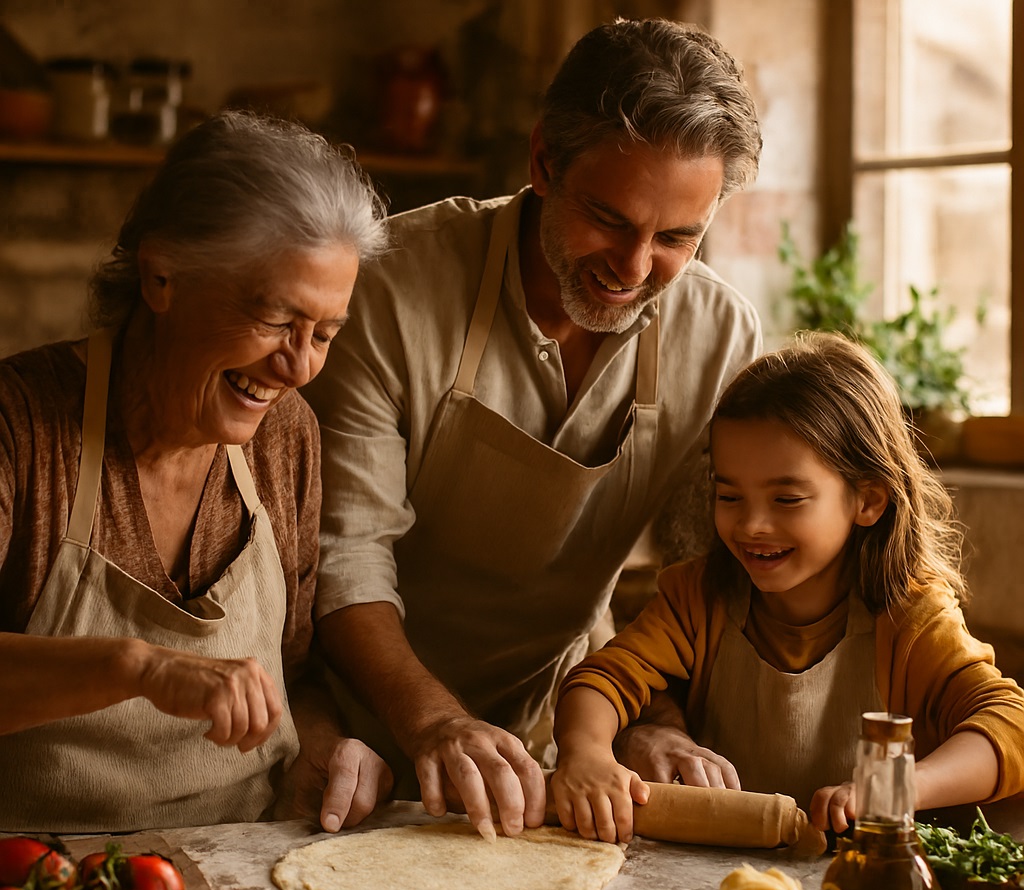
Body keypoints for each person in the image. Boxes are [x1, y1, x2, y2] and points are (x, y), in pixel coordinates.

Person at [304, 17, 764, 840]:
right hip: (350, 730)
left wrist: (649, 716)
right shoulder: (389, 287)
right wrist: (434, 722)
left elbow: (696, 584)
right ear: (544, 160)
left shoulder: (720, 336)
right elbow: (345, 558)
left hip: (563, 728)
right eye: (610, 218)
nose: (632, 267)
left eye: (675, 239)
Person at [0, 110, 393, 833]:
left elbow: (297, 674)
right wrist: (137, 669)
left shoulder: (287, 439)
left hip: (243, 866)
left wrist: (328, 748)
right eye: (277, 319)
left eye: (325, 335)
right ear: (162, 276)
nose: (299, 366)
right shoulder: (21, 427)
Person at [550, 333, 1024, 844]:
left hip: (858, 887)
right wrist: (587, 755)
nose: (752, 524)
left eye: (787, 499)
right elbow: (601, 679)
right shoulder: (698, 597)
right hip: (711, 881)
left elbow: (1009, 725)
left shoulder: (910, 615)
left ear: (868, 500)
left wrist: (895, 788)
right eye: (729, 495)